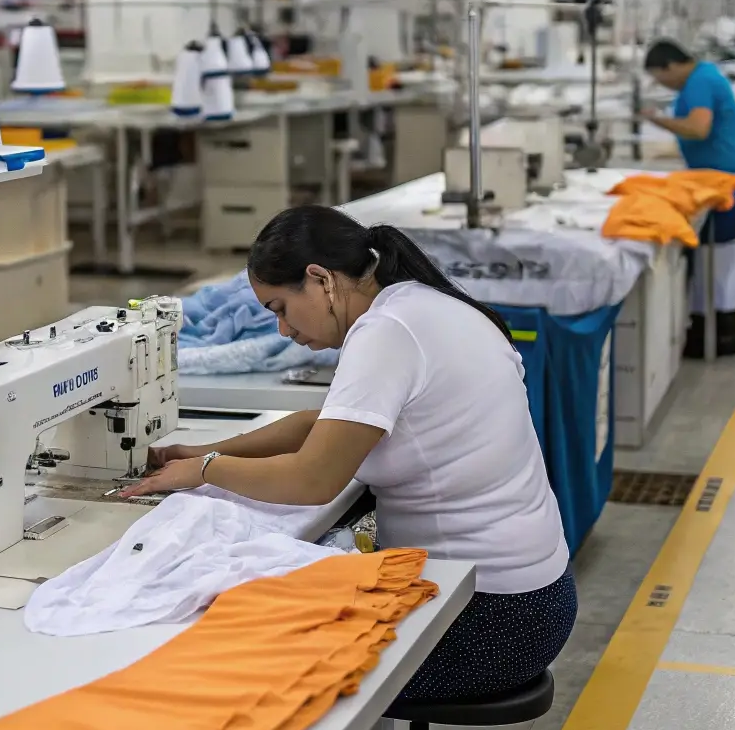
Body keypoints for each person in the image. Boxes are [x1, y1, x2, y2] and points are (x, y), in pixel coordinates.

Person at [121, 206, 576, 703]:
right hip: (530, 598)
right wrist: (199, 451)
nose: (282, 331)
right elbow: (319, 427)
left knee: (239, 663)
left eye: (279, 308)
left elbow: (312, 481)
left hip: (486, 622)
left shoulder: (386, 332)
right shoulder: (421, 304)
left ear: (320, 280)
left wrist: (205, 472)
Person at [640, 40, 735, 358]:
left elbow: (697, 129)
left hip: (727, 183)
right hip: (726, 179)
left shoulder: (699, 82)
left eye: (660, 77)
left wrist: (656, 120)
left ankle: (712, 337)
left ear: (671, 66)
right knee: (723, 263)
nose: (661, 84)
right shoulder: (704, 76)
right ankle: (721, 335)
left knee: (715, 263)